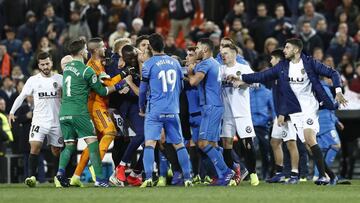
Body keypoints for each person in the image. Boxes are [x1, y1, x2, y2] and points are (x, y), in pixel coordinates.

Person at [230, 38, 347, 185]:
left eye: (287, 47)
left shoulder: (310, 63)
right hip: (295, 111)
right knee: (309, 146)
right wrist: (241, 77)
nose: (284, 50)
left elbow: (333, 73)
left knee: (309, 139)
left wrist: (338, 91)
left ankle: (323, 176)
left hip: (310, 107)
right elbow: (261, 76)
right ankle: (332, 175)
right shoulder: (283, 67)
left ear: (296, 50)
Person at [54, 39, 128, 188]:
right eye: (85, 50)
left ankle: (61, 175)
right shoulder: (87, 69)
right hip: (79, 112)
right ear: (82, 52)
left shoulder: (67, 69)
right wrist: (120, 83)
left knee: (69, 146)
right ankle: (100, 179)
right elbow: (102, 90)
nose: (87, 52)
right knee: (93, 144)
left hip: (64, 112)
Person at [139, 33, 192, 187]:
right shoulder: (175, 63)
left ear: (150, 47)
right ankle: (187, 178)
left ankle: (148, 178)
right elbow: (181, 86)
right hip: (173, 109)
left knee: (150, 144)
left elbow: (142, 91)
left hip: (155, 110)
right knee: (179, 144)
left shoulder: (148, 64)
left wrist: (142, 107)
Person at [9, 52, 63, 187]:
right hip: (39, 120)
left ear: (51, 63)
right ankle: (32, 177)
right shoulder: (33, 80)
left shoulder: (60, 78)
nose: (45, 66)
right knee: (35, 147)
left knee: (56, 151)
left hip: (57, 121)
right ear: (39, 65)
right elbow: (22, 96)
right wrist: (11, 112)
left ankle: (57, 176)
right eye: (42, 64)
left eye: (47, 63)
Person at [187, 38, 234, 186]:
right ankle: (229, 171)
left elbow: (193, 81)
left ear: (205, 50)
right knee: (213, 144)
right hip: (215, 106)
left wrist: (189, 72)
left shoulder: (206, 63)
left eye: (198, 48)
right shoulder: (215, 63)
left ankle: (227, 171)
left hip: (211, 107)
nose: (196, 51)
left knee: (202, 143)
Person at [220, 44, 259, 186]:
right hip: (227, 113)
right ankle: (233, 174)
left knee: (247, 144)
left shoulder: (243, 68)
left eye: (226, 53)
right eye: (222, 53)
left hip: (242, 113)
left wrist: (242, 82)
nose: (223, 56)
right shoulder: (220, 70)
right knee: (226, 144)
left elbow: (256, 83)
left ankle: (253, 173)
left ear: (234, 54)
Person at [265, 49, 302, 184]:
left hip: (288, 114)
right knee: (275, 142)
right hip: (279, 114)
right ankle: (280, 173)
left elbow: (288, 96)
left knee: (291, 143)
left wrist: (283, 114)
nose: (270, 61)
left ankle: (294, 174)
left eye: (272, 58)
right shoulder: (277, 74)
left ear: (278, 60)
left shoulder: (286, 74)